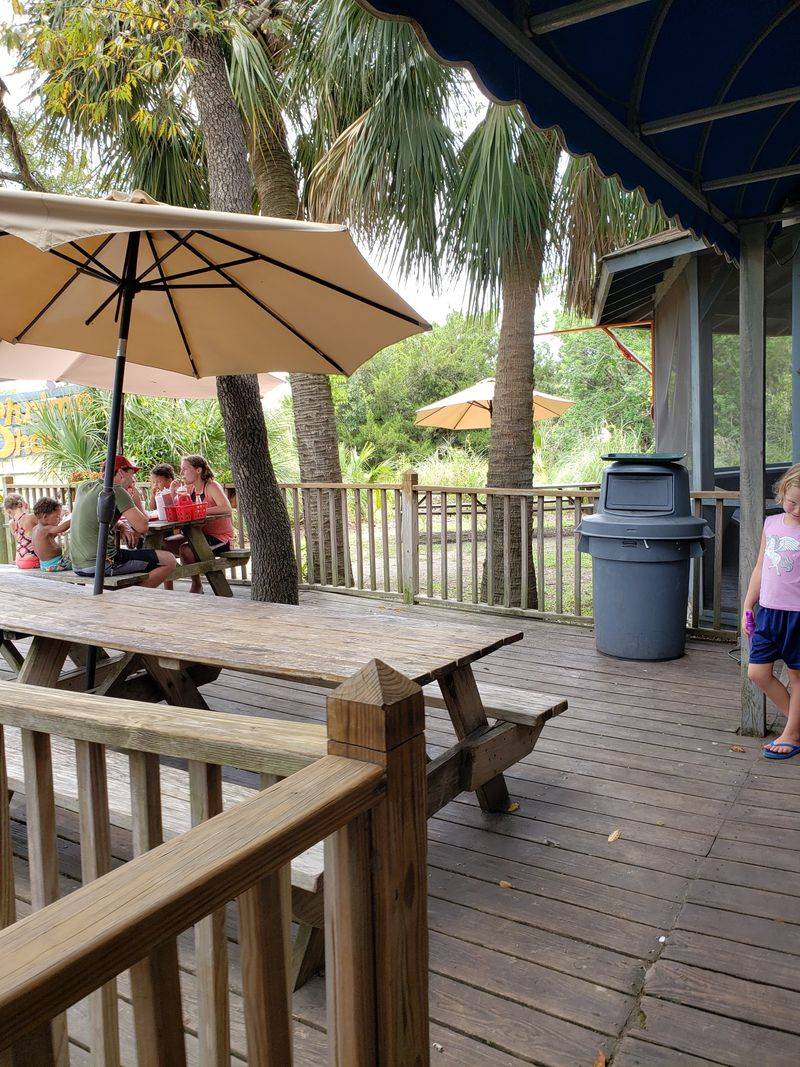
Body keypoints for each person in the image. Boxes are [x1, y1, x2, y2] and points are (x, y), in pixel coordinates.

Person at [744, 463, 800, 760]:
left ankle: (791, 733)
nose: (798, 508)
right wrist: (747, 606)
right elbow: (760, 568)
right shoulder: (772, 524)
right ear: (782, 494)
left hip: (798, 615)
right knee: (758, 673)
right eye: (793, 501)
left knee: (796, 676)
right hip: (768, 611)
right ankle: (796, 721)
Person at [70, 456, 176, 588]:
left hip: (78, 565)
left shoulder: (84, 487)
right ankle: (132, 597)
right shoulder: (116, 490)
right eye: (132, 475)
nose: (133, 479)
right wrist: (136, 499)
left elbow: (97, 519)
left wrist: (121, 525)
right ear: (121, 473)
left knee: (143, 559)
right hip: (103, 563)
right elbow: (143, 526)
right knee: (169, 560)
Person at [171, 454, 234, 593]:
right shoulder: (190, 489)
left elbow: (226, 508)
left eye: (185, 469)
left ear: (198, 470)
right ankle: (169, 590)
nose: (182, 473)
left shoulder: (211, 486)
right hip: (198, 535)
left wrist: (199, 511)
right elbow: (177, 510)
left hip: (220, 538)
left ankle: (197, 584)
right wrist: (172, 492)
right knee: (167, 544)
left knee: (186, 550)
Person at [31, 497, 71, 572]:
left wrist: (57, 533)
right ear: (45, 517)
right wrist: (74, 519)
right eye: (57, 517)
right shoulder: (45, 529)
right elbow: (62, 528)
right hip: (56, 565)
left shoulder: (36, 529)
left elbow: (47, 539)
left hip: (44, 565)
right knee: (77, 561)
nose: (60, 519)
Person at [3, 494, 39, 569]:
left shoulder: (11, 523)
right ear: (23, 503)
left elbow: (20, 540)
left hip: (19, 559)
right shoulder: (31, 517)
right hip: (32, 558)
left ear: (8, 510)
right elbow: (46, 532)